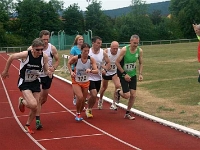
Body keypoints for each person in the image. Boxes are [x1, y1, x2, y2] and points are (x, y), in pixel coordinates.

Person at [1, 38, 52, 133]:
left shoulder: (44, 57)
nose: (40, 52)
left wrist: (49, 72)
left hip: (36, 81)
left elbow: (45, 69)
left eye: (41, 49)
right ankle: (22, 101)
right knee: (33, 104)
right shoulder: (26, 55)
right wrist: (5, 71)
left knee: (36, 106)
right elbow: (11, 57)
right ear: (32, 49)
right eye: (37, 50)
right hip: (24, 82)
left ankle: (27, 125)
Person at [26, 30, 59, 130]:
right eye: (44, 39)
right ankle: (37, 120)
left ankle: (24, 102)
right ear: (40, 38)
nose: (45, 41)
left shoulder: (52, 48)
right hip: (37, 76)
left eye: (47, 39)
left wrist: (53, 67)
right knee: (38, 99)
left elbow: (57, 60)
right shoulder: (32, 48)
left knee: (43, 99)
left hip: (47, 75)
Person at [115, 34, 143, 120]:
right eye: (134, 43)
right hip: (123, 74)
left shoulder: (139, 51)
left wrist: (140, 74)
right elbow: (117, 62)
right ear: (130, 41)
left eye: (137, 43)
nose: (136, 45)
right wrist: (124, 74)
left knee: (133, 95)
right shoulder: (124, 50)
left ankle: (127, 112)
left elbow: (141, 63)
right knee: (127, 95)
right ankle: (118, 92)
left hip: (132, 74)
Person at [67, 43, 98, 121]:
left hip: (85, 82)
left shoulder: (91, 59)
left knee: (83, 100)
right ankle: (77, 113)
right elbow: (69, 63)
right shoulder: (76, 58)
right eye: (85, 51)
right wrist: (71, 72)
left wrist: (90, 70)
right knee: (80, 97)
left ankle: (79, 112)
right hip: (76, 81)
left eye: (88, 51)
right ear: (81, 50)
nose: (86, 53)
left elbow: (96, 70)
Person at [86, 36, 110, 118]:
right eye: (98, 43)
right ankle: (88, 108)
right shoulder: (88, 51)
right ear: (93, 43)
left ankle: (89, 108)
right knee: (94, 93)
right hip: (88, 77)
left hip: (98, 77)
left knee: (94, 96)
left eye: (100, 43)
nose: (99, 45)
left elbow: (109, 63)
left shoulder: (103, 53)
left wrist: (105, 70)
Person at [97, 41, 121, 110]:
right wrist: (103, 69)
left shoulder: (120, 51)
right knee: (104, 87)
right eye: (114, 48)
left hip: (114, 72)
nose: (115, 50)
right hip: (106, 72)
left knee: (118, 86)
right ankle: (100, 99)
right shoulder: (106, 52)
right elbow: (100, 62)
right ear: (110, 47)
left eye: (116, 48)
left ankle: (113, 103)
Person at [69, 35, 84, 106]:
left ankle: (81, 99)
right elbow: (71, 60)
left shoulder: (84, 48)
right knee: (77, 85)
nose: (81, 41)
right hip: (75, 69)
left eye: (82, 39)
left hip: (83, 70)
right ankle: (75, 97)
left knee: (83, 84)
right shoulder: (74, 49)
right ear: (76, 41)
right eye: (79, 39)